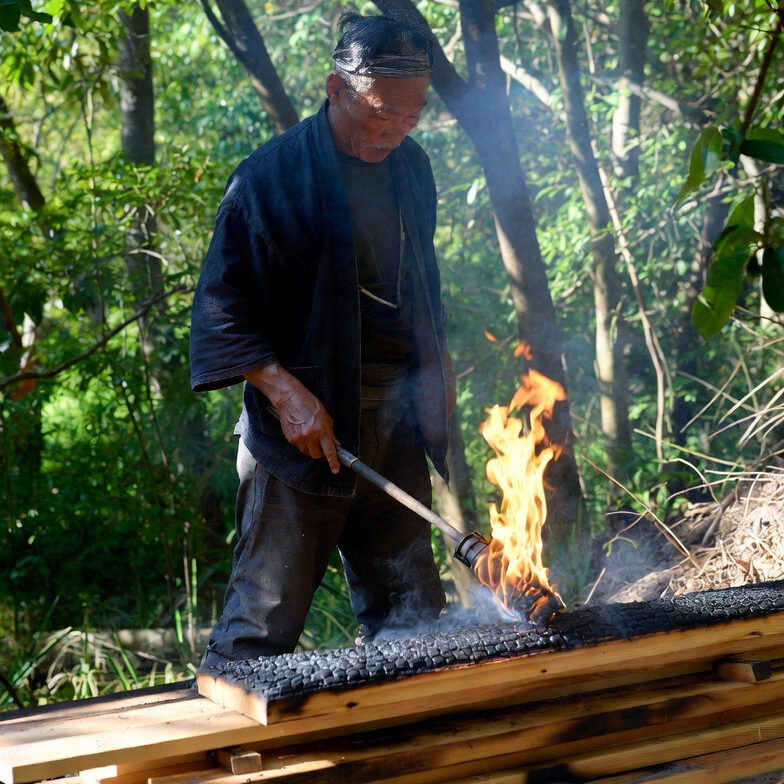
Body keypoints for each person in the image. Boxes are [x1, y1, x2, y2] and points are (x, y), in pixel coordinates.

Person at [189, 11, 455, 669]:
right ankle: (233, 721)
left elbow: (420, 286)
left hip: (396, 421)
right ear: (336, 89)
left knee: (412, 618)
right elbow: (222, 307)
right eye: (382, 113)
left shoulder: (412, 166)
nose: (397, 129)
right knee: (262, 621)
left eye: (413, 115)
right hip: (303, 430)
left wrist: (437, 374)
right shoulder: (269, 178)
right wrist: (285, 396)